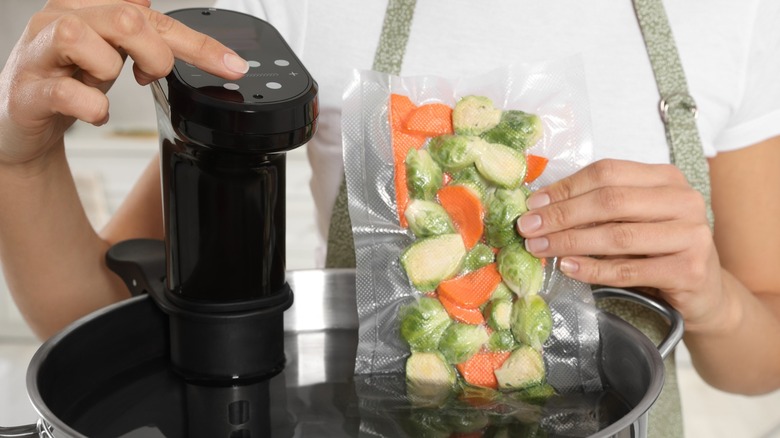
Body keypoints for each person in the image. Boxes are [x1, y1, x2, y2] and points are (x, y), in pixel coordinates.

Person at [1, 0, 779, 421]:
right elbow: (95, 327)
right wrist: (19, 159)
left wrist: (711, 298)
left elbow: (758, 361)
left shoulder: (735, 14)